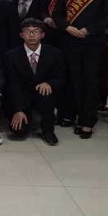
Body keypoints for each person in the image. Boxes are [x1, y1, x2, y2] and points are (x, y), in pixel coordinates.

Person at [52, 0, 108, 139]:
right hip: (69, 40)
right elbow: (57, 14)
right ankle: (68, 114)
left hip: (93, 43)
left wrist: (89, 30)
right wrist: (68, 27)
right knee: (70, 79)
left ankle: (87, 121)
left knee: (90, 81)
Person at [5, 18, 65, 146]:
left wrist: (49, 83)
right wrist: (18, 109)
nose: (31, 35)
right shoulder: (11, 56)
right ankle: (23, 116)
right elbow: (12, 85)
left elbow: (60, 77)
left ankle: (48, 130)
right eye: (27, 31)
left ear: (42, 34)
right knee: (19, 131)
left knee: (47, 92)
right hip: (22, 96)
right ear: (21, 35)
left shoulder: (54, 53)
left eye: (36, 31)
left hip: (43, 94)